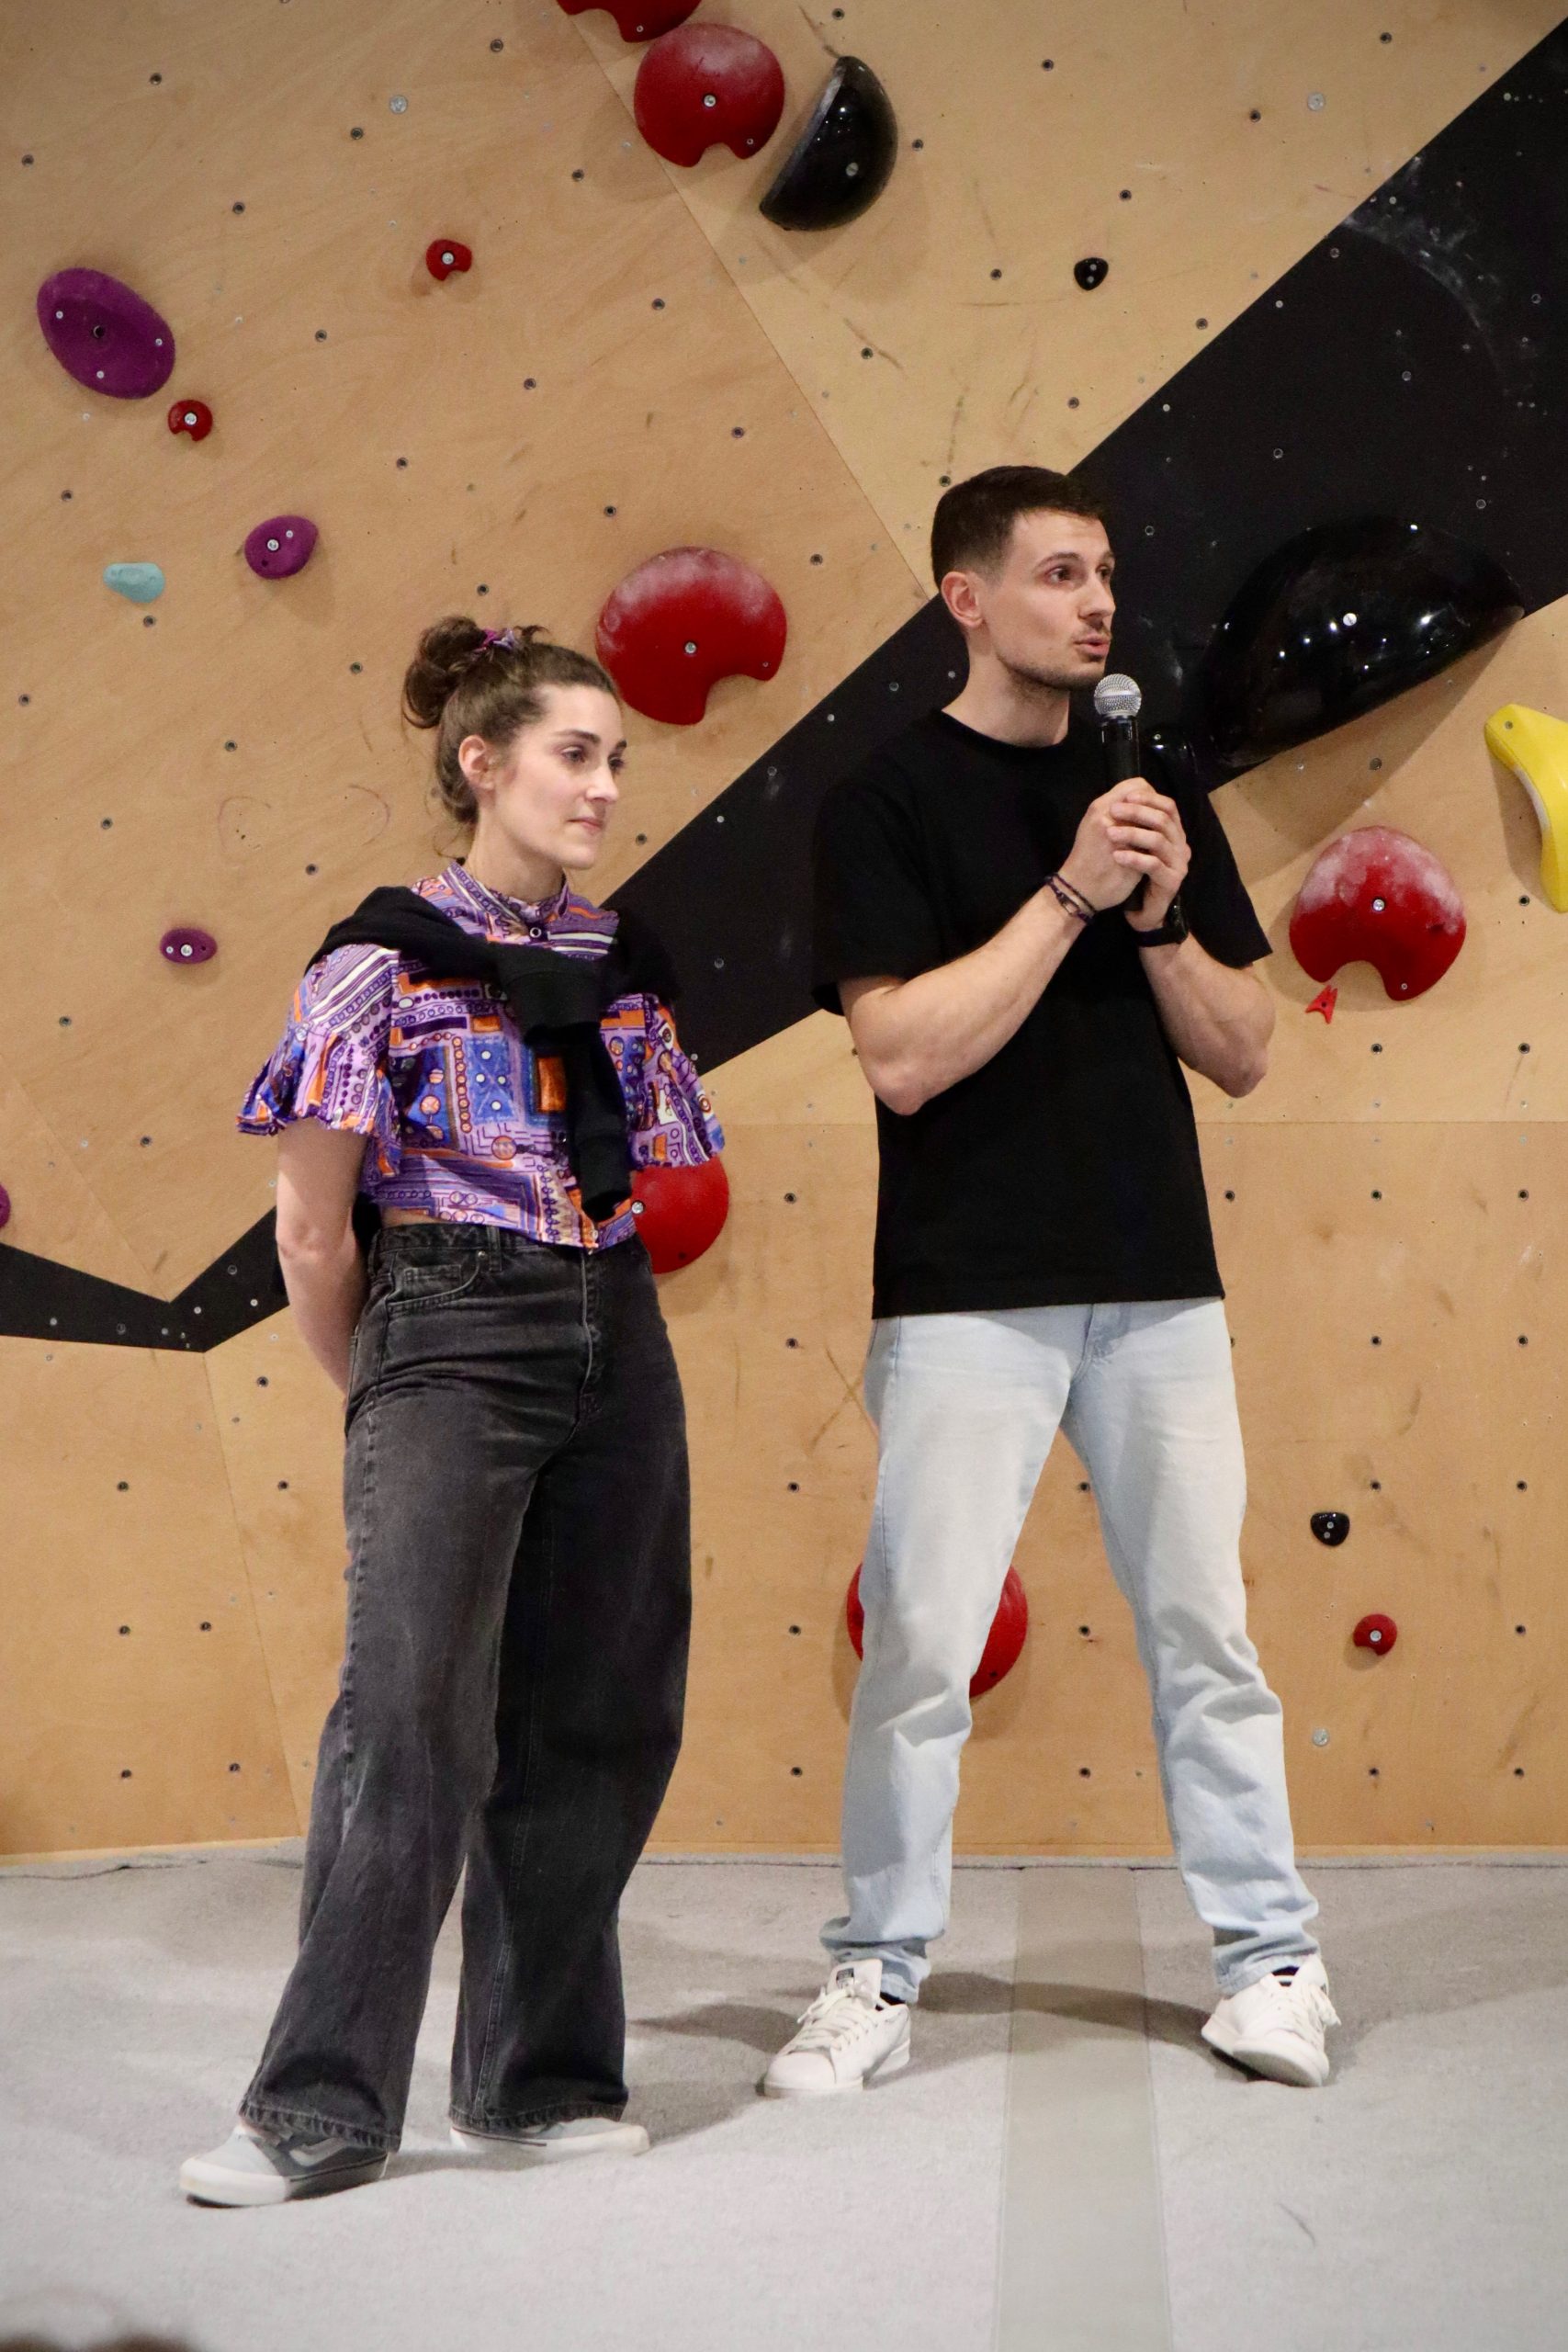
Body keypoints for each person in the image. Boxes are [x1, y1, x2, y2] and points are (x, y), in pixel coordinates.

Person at [763, 465, 1337, 2100]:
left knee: (1209, 1637)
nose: (1098, 604)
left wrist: (1154, 920)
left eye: (1106, 573)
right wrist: (1072, 892)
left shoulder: (1154, 790)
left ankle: (1271, 1964)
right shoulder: (883, 803)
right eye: (1059, 574)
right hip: (966, 1291)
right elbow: (902, 1057)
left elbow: (1245, 1050)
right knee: (921, 1651)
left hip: (1158, 1282)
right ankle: (875, 1973)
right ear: (967, 599)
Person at [181, 620, 724, 2206]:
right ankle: (314, 2108)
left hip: (614, 1323)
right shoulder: (379, 960)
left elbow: (650, 1175)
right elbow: (311, 1229)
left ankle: (537, 2083)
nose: (605, 786)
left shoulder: (623, 961)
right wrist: (390, 1386)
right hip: (445, 1318)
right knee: (410, 1716)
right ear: (481, 764)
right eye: (575, 754)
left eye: (616, 759)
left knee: (597, 1712)